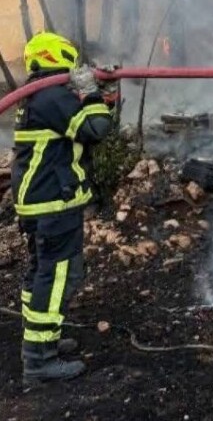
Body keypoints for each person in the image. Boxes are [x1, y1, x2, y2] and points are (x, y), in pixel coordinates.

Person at [12, 32, 116, 384]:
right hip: (53, 203)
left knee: (40, 272)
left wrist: (102, 97)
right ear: (58, 55)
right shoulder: (51, 94)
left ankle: (39, 340)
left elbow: (79, 125)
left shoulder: (38, 95)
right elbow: (94, 128)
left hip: (41, 202)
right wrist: (90, 94)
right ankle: (40, 360)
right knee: (55, 276)